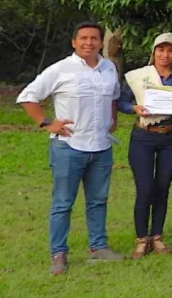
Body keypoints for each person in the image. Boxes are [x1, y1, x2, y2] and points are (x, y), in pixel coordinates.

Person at [17, 21, 124, 275]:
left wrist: (113, 121)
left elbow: (114, 96)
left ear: (101, 42)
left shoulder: (109, 67)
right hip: (69, 146)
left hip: (100, 147)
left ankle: (98, 247)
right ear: (74, 42)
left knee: (98, 201)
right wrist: (46, 122)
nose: (89, 43)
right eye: (84, 38)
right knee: (63, 203)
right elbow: (27, 96)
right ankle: (59, 253)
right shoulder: (60, 70)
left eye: (94, 38)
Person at [118, 33, 172, 259]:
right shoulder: (139, 76)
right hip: (143, 136)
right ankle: (142, 239)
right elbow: (121, 101)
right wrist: (134, 109)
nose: (165, 55)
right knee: (145, 189)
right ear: (154, 51)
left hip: (170, 137)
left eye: (170, 51)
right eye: (161, 50)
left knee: (162, 188)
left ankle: (157, 236)